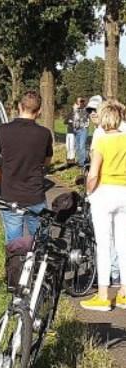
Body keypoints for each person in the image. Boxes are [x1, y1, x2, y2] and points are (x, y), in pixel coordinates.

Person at [80, 101, 126, 311]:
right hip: (123, 192)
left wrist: (89, 191)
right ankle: (124, 293)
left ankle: (103, 295)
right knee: (123, 245)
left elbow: (94, 174)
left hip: (104, 192)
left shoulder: (101, 142)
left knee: (103, 244)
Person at [0, 91, 53, 243]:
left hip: (10, 195)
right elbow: (47, 163)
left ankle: (16, 265)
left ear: (20, 106)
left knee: (14, 242)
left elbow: (2, 154)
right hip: (35, 194)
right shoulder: (44, 134)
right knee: (41, 241)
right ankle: (38, 265)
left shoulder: (2, 130)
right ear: (39, 111)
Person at [65, 97, 90, 168]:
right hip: (76, 130)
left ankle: (83, 163)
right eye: (78, 102)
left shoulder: (85, 110)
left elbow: (83, 117)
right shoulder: (75, 110)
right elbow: (69, 119)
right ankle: (80, 161)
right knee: (77, 146)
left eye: (81, 101)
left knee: (82, 145)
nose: (79, 103)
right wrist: (74, 110)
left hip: (83, 130)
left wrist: (78, 108)